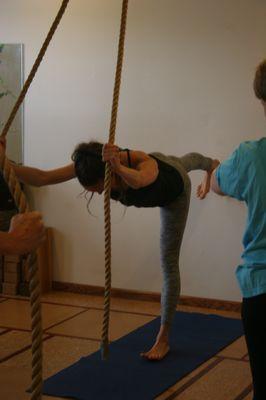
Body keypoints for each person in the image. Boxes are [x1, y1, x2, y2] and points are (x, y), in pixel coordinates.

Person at [2, 137, 219, 360]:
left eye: (98, 189)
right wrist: (3, 163)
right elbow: (41, 178)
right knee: (182, 161)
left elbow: (140, 181)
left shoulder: (140, 161)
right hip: (163, 165)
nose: (98, 193)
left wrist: (119, 167)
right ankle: (210, 164)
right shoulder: (89, 165)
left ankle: (163, 339)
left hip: (174, 192)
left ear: (108, 174)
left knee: (169, 261)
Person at [209, 60, 266, 399]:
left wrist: (217, 169)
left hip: (261, 291)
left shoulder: (249, 156)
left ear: (261, 100)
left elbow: (217, 183)